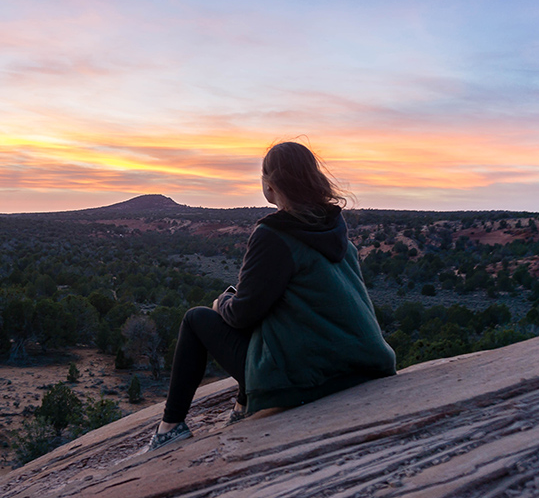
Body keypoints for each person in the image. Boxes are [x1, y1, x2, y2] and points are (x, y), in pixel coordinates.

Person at [148, 141, 396, 451]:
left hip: (309, 377)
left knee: (197, 318)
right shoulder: (332, 226)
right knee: (259, 314)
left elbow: (243, 314)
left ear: (270, 185)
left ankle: (169, 428)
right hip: (364, 362)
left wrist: (222, 302)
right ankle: (241, 407)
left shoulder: (274, 234)